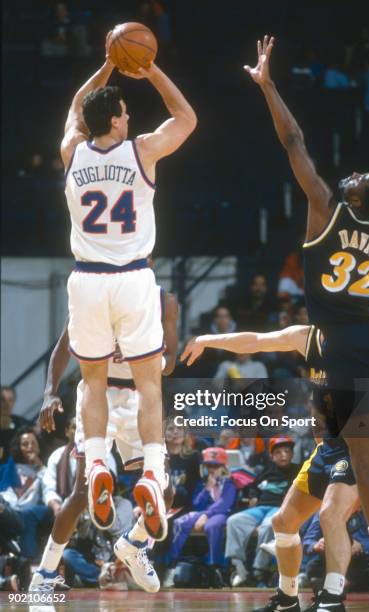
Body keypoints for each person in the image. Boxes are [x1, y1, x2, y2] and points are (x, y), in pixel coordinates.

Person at [244, 35, 369, 611]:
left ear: (362, 197)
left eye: (360, 178)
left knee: (367, 456)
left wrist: (269, 86)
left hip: (345, 346)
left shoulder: (326, 209)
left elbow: (293, 141)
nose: (352, 176)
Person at [61, 31, 196, 539]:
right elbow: (187, 118)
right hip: (134, 279)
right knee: (149, 385)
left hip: (86, 281)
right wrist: (148, 69)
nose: (128, 117)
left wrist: (108, 68)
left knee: (91, 381)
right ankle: (155, 477)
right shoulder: (141, 152)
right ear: (117, 119)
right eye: (123, 111)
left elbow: (78, 106)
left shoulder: (71, 151)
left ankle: (97, 463)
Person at [181, 322, 369, 611]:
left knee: (330, 515)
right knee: (283, 522)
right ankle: (287, 599)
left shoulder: (367, 340)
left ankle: (332, 599)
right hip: (326, 449)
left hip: (359, 448)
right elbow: (256, 340)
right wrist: (208, 339)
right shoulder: (310, 336)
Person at [29, 287, 178, 594]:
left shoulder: (164, 299)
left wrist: (144, 357)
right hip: (98, 394)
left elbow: (172, 359)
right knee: (82, 493)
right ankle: (43, 575)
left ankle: (134, 543)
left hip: (141, 394)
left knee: (166, 490)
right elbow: (63, 345)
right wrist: (49, 392)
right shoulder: (94, 293)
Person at [225, 436, 299, 587]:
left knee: (269, 525)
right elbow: (253, 487)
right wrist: (252, 496)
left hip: (280, 508)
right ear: (272, 456)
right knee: (233, 521)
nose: (283, 455)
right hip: (260, 508)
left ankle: (259, 570)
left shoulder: (298, 471)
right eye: (278, 452)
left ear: (292, 454)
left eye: (287, 451)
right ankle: (239, 568)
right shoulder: (266, 471)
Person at [163, 447, 237, 587]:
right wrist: (208, 488)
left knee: (212, 526)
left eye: (216, 466)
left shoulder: (229, 483)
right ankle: (172, 565)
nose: (212, 470)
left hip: (221, 514)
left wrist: (206, 515)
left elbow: (224, 504)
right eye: (209, 466)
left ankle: (216, 567)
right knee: (179, 522)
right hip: (201, 513)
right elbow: (196, 504)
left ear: (223, 467)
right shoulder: (202, 483)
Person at [1, 428, 52, 560]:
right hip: (9, 511)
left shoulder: (45, 470)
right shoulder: (9, 469)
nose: (30, 447)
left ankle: (28, 563)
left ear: (39, 447)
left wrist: (39, 466)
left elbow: (50, 489)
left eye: (33, 443)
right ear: (19, 448)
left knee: (27, 514)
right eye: (25, 444)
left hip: (31, 512)